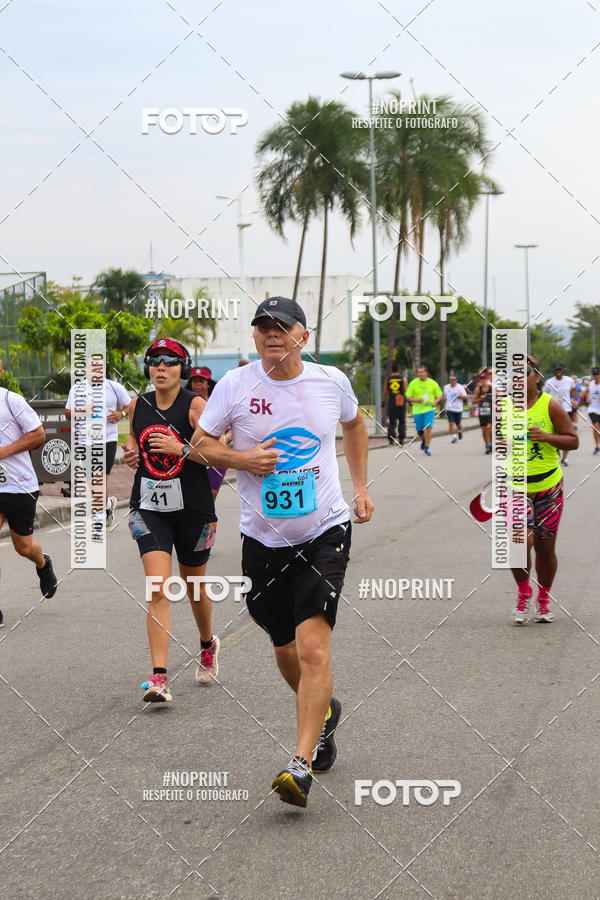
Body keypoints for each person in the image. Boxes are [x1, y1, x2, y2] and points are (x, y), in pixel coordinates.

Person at [188, 296, 374, 808]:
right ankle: (325, 713)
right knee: (284, 648)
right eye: (263, 328)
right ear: (254, 338)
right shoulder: (236, 386)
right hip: (263, 539)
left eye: (282, 327)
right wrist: (242, 458)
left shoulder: (330, 382)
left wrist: (359, 486)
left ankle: (300, 762)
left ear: (303, 336)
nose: (272, 334)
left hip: (325, 531)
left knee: (314, 649)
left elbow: (355, 424)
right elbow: (198, 447)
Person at [121, 339, 218, 703]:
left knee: (195, 588)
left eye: (170, 362)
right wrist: (131, 455)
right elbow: (133, 442)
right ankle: (159, 677)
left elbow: (216, 449)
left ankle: (207, 644)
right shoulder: (137, 405)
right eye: (154, 362)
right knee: (158, 587)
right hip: (149, 509)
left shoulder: (195, 406)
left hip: (193, 511)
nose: (161, 368)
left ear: (183, 368)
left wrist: (183, 449)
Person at [507, 356, 578, 625]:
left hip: (549, 487)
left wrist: (547, 437)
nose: (518, 378)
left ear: (537, 376)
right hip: (516, 487)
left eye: (523, 372)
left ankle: (544, 599)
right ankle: (524, 593)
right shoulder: (504, 407)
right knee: (519, 543)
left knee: (546, 550)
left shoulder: (551, 406)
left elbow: (573, 440)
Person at [0, 359, 58, 620]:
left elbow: (38, 434)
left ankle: (43, 563)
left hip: (19, 486)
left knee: (23, 547)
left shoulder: (12, 400)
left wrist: (4, 451)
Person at [65, 359, 132, 524]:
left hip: (107, 439)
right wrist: (83, 410)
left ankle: (99, 517)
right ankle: (107, 504)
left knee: (99, 477)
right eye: (92, 367)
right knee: (91, 480)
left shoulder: (114, 387)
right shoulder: (77, 388)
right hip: (84, 440)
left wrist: (120, 415)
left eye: (99, 366)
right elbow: (67, 413)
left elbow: (131, 406)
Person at [185, 366, 228, 499]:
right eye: (195, 381)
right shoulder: (185, 404)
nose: (198, 385)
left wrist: (225, 438)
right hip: (192, 456)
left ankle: (209, 520)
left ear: (208, 384)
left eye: (201, 381)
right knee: (194, 498)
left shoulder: (219, 402)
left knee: (210, 496)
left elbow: (232, 427)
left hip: (215, 455)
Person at [543, 363, 577, 467]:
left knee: (567, 435)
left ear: (563, 370)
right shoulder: (549, 382)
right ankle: (556, 452)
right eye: (556, 370)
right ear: (553, 371)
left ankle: (564, 458)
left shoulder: (569, 380)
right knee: (556, 435)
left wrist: (574, 400)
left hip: (567, 410)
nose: (558, 371)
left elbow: (574, 389)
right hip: (554, 411)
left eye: (560, 369)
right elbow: (543, 394)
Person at [405, 365, 443, 456]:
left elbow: (439, 395)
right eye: (419, 372)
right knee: (419, 430)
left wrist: (435, 402)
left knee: (428, 427)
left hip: (429, 408)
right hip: (417, 410)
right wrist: (416, 400)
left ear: (426, 373)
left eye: (422, 372)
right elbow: (408, 396)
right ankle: (423, 439)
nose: (420, 374)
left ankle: (427, 447)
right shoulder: (413, 383)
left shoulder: (432, 383)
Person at [381, 363, 407, 445]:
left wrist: (383, 401)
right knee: (402, 421)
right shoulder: (403, 379)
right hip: (401, 403)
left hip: (391, 403)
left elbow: (385, 392)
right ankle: (401, 439)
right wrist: (409, 402)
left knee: (392, 422)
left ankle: (391, 439)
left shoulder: (388, 379)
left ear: (391, 370)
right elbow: (406, 391)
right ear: (398, 370)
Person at [472, 368, 493, 453]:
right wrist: (480, 399)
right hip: (482, 412)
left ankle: (491, 443)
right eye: (481, 379)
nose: (483, 381)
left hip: (491, 412)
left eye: (484, 379)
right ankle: (487, 445)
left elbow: (498, 399)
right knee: (484, 431)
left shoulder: (492, 388)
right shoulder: (478, 389)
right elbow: (473, 401)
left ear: (487, 379)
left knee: (490, 429)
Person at [443, 374, 467, 443]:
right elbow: (444, 396)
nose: (452, 381)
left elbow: (465, 397)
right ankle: (453, 437)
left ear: (456, 380)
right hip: (449, 408)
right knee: (451, 422)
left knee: (458, 424)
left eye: (454, 380)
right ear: (449, 380)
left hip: (458, 409)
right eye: (451, 380)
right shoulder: (446, 387)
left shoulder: (460, 387)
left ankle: (459, 431)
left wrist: (458, 396)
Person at [583, 366, 600, 454]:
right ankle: (597, 446)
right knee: (596, 426)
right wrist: (587, 398)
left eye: (597, 374)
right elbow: (585, 393)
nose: (595, 376)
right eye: (594, 374)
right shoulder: (590, 384)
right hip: (593, 409)